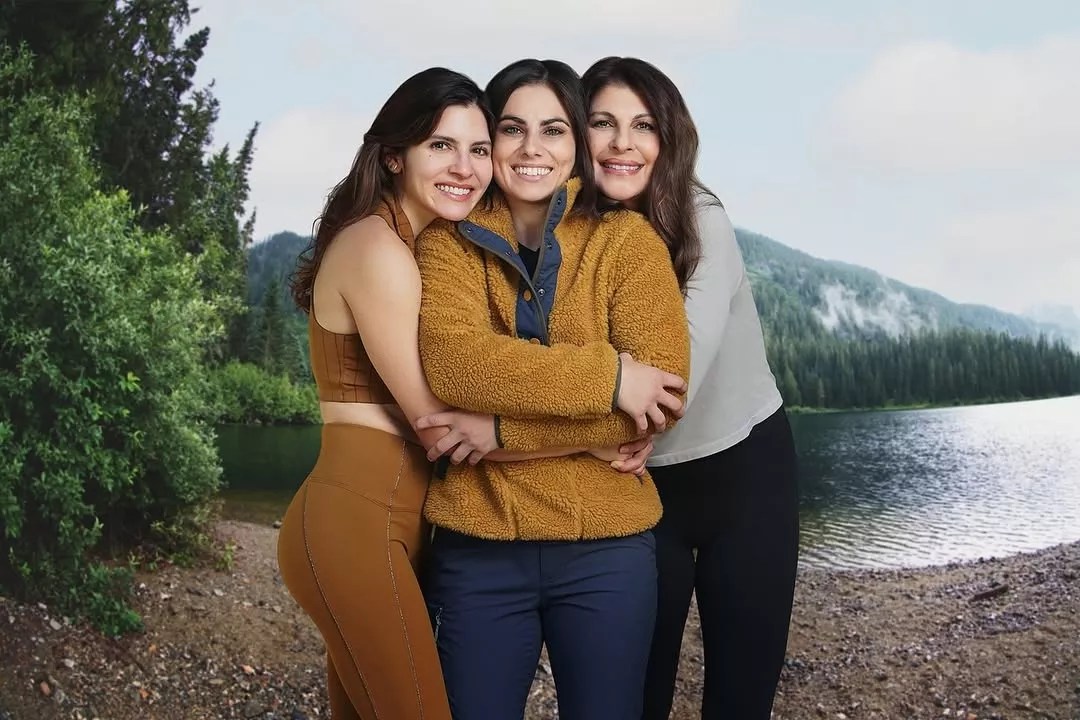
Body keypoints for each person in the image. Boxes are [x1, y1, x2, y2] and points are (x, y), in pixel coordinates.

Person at [411, 58, 691, 720]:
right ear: (490, 140)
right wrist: (611, 377)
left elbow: (663, 397)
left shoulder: (629, 241)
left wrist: (500, 432)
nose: (532, 149)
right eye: (512, 129)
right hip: (478, 551)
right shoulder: (447, 243)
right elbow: (456, 365)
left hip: (607, 552)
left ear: (577, 147)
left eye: (554, 130)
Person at [581, 56, 801, 720]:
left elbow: (677, 373)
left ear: (668, 139)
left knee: (739, 697)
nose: (623, 142)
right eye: (602, 122)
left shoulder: (704, 220)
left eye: (643, 125)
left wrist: (555, 428)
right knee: (634, 695)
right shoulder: (565, 236)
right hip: (641, 493)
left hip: (747, 477)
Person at [275, 67, 496, 720]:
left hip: (380, 527)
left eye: (478, 149)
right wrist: (581, 445)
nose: (465, 166)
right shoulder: (380, 250)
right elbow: (438, 427)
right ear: (395, 155)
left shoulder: (411, 244)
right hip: (355, 526)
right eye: (441, 146)